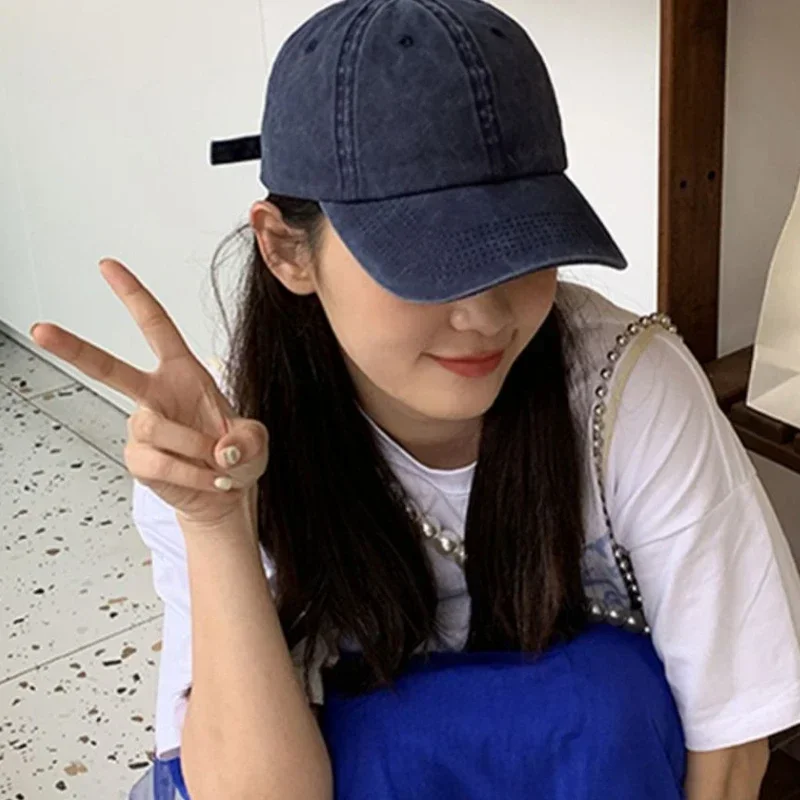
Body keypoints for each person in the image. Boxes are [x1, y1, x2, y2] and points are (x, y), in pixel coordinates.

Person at [29, 1, 800, 798]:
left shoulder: (625, 386)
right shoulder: (218, 440)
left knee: (610, 697)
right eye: (428, 262)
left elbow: (729, 740)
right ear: (287, 249)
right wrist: (217, 524)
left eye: (521, 247)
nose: (487, 315)